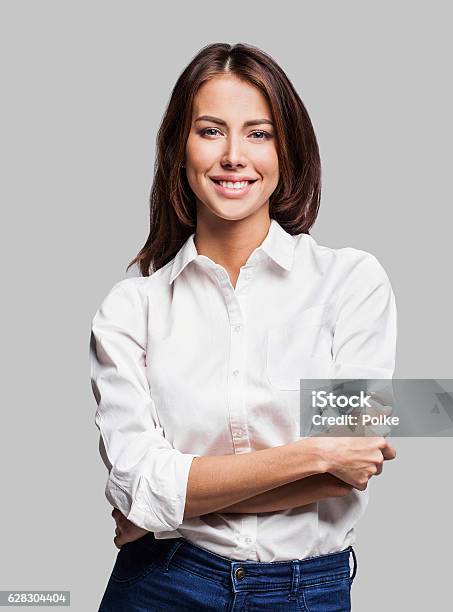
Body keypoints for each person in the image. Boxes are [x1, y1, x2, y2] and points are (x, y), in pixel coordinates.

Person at [89, 42, 397, 612]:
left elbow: (351, 468)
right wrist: (313, 453)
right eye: (211, 131)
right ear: (179, 150)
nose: (234, 155)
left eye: (259, 133)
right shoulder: (132, 309)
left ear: (288, 151)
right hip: (163, 585)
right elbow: (138, 482)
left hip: (309, 591)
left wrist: (169, 502)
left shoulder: (351, 283)